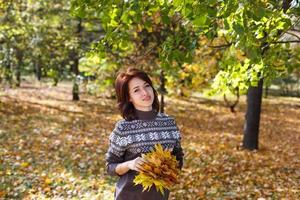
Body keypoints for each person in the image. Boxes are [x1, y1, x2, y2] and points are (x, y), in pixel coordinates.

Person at [105, 67, 184, 200]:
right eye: (136, 90)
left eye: (147, 86)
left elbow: (178, 158)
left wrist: (169, 165)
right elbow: (110, 167)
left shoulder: (169, 123)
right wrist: (130, 164)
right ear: (129, 97)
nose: (145, 92)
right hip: (128, 196)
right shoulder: (123, 128)